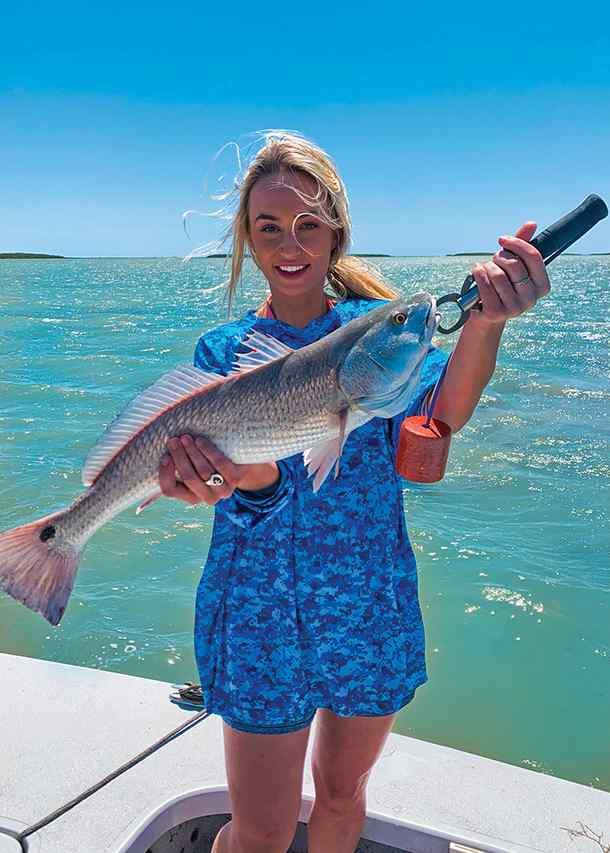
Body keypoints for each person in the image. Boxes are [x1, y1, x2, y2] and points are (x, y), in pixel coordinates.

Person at [158, 131, 551, 853]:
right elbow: (243, 488)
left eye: (309, 223)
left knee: (342, 798)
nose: (290, 243)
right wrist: (236, 477)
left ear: (337, 229)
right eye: (269, 226)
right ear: (246, 237)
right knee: (262, 830)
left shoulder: (378, 335)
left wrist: (486, 325)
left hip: (367, 602)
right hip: (257, 613)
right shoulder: (223, 353)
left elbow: (443, 412)